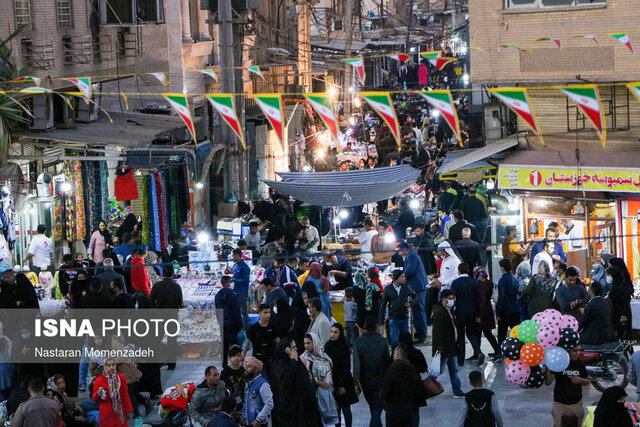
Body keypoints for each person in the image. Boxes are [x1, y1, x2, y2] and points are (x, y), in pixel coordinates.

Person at [269, 338, 322, 427]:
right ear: (286, 350)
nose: (296, 349)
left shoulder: (295, 361)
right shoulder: (280, 364)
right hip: (288, 408)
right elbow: (286, 380)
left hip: (300, 406)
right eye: (293, 347)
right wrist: (293, 361)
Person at [353, 316, 390, 427]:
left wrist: (356, 383)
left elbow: (356, 364)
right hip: (381, 380)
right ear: (376, 327)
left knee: (373, 407)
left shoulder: (358, 342)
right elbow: (387, 362)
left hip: (366, 381)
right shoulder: (383, 341)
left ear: (364, 327)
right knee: (377, 408)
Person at [544, 344, 589, 426]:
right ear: (567, 351)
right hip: (560, 404)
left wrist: (580, 380)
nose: (578, 353)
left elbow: (587, 381)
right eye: (575, 351)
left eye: (579, 350)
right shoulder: (558, 362)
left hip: (576, 403)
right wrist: (548, 365)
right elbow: (548, 382)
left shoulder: (580, 363)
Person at [301, 333, 339, 426]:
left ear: (315, 342)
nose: (306, 346)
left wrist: (315, 382)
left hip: (323, 396)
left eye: (309, 343)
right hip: (309, 398)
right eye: (304, 343)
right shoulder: (303, 358)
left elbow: (327, 384)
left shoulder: (325, 359)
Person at [431, 289, 464, 397]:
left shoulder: (449, 310)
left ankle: (457, 391)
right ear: (443, 299)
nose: (452, 301)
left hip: (451, 347)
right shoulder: (439, 312)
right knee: (438, 370)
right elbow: (438, 331)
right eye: (450, 298)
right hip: (444, 348)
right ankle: (427, 388)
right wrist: (439, 346)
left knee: (454, 369)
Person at [325, 323, 358, 427]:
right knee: (336, 410)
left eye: (335, 332)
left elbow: (345, 367)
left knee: (346, 408)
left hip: (343, 381)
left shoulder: (344, 347)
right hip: (332, 381)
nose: (332, 335)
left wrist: (342, 385)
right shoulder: (327, 345)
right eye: (331, 332)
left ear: (340, 334)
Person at [451, 263, 484, 366]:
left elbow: (452, 298)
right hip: (472, 311)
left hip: (460, 311)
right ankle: (478, 352)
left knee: (461, 334)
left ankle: (460, 359)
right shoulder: (474, 282)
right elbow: (478, 298)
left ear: (459, 270)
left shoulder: (456, 283)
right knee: (471, 332)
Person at [381, 344, 421, 427]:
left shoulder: (391, 371)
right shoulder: (412, 370)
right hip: (408, 411)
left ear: (396, 355)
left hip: (393, 412)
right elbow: (417, 391)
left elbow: (385, 393)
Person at [378, 270, 416, 348]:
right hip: (393, 318)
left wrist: (411, 303)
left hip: (404, 317)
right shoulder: (388, 289)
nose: (404, 278)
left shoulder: (406, 287)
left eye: (404, 276)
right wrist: (381, 320)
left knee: (405, 340)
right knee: (394, 340)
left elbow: (415, 296)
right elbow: (383, 304)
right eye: (402, 277)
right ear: (396, 278)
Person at [92, 358, 134, 427]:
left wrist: (128, 410)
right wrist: (98, 394)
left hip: (120, 412)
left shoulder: (122, 378)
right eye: (109, 365)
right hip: (106, 413)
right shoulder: (99, 380)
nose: (111, 367)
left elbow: (125, 395)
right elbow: (95, 399)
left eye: (113, 365)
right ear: (105, 367)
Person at [398, 331, 428, 427]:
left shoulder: (397, 354)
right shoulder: (417, 353)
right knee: (415, 410)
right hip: (415, 384)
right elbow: (424, 368)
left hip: (400, 385)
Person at [473, 267, 501, 362]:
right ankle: (495, 351)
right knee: (487, 333)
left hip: (482, 312)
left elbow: (482, 300)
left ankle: (478, 353)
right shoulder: (489, 283)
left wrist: (479, 316)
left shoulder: (480, 285)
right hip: (488, 310)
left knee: (481, 332)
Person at [215, 276, 243, 367]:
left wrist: (220, 322)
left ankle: (224, 363)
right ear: (228, 283)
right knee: (234, 345)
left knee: (224, 344)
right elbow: (236, 312)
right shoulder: (233, 295)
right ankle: (235, 362)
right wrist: (240, 325)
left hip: (223, 323)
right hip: (233, 324)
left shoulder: (217, 295)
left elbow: (217, 311)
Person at [242, 304, 277, 375]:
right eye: (265, 312)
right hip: (258, 359)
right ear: (260, 313)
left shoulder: (273, 326)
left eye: (269, 312)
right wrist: (242, 356)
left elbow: (278, 341)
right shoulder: (253, 328)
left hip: (271, 359)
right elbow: (247, 343)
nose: (268, 315)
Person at [580, 282, 617, 347]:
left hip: (595, 337)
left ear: (591, 291)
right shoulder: (607, 302)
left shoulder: (591, 305)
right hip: (609, 335)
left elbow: (583, 322)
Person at [242, 356, 274, 427]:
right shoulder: (248, 383)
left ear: (256, 369)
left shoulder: (263, 384)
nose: (246, 369)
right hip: (248, 422)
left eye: (249, 366)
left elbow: (269, 403)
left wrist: (259, 419)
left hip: (258, 423)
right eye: (245, 366)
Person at [496, 259, 521, 345]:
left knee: (502, 333)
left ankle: (500, 350)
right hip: (515, 308)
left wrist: (498, 312)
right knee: (516, 332)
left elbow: (501, 296)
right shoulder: (515, 278)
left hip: (505, 309)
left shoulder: (502, 280)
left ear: (502, 268)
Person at [353, 267, 383, 335]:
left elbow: (355, 300)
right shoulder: (375, 287)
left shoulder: (355, 289)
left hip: (361, 315)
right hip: (374, 314)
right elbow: (380, 298)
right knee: (375, 334)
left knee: (362, 334)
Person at [607, 265, 633, 340]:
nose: (608, 277)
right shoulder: (615, 286)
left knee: (622, 336)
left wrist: (624, 314)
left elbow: (625, 301)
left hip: (621, 314)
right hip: (615, 314)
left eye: (609, 275)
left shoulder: (622, 287)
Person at [231, 248, 251, 330]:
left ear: (237, 255)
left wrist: (234, 281)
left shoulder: (245, 267)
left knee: (243, 311)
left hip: (242, 292)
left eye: (233, 255)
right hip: (235, 291)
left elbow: (246, 280)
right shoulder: (235, 265)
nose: (232, 257)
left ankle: (246, 327)